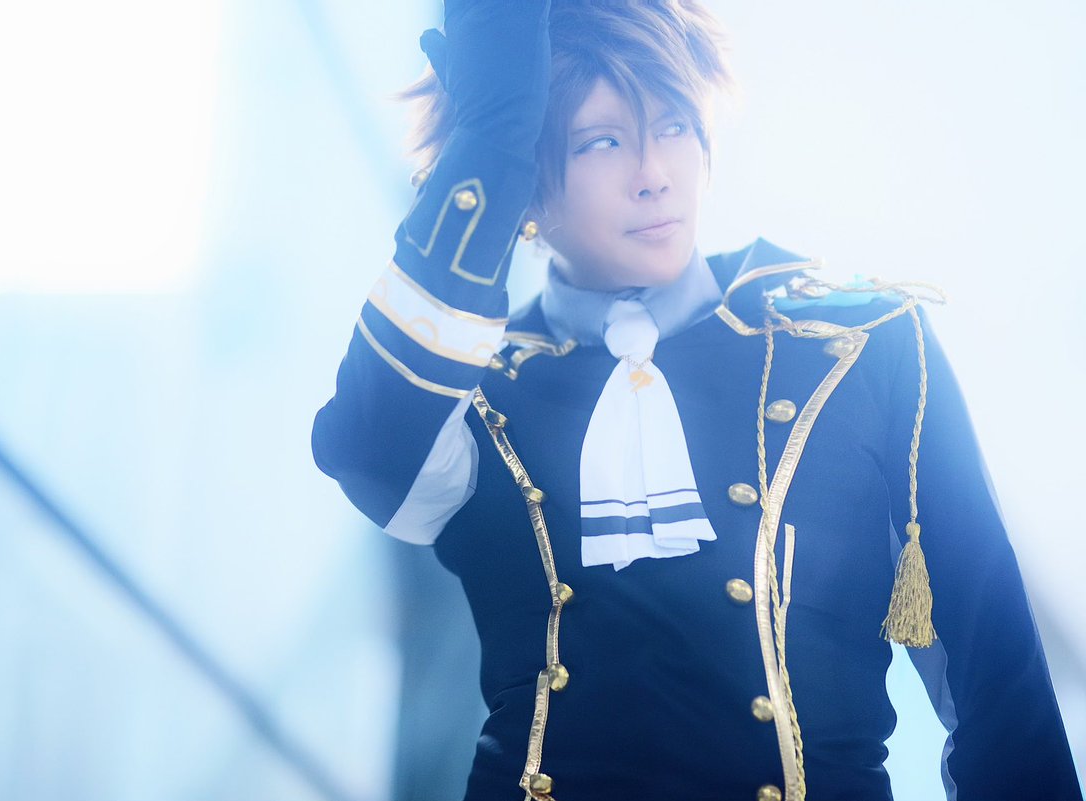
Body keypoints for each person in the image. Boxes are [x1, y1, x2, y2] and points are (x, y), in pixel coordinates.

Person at [312, 1, 1082, 799]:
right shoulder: (469, 386)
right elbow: (369, 452)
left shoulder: (859, 341)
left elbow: (998, 687)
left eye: (674, 125)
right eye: (601, 141)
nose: (654, 173)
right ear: (529, 181)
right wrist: (488, 142)